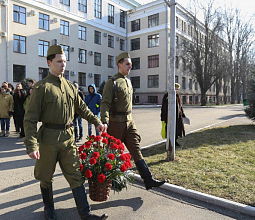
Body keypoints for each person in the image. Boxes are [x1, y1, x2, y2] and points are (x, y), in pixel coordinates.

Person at [23, 45, 108, 220]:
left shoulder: (69, 86)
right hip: (48, 138)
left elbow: (82, 108)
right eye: (59, 61)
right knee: (46, 176)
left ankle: (86, 214)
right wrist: (31, 145)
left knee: (76, 174)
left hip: (68, 138)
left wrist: (97, 122)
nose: (63, 65)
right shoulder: (42, 88)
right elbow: (30, 119)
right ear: (49, 63)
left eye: (64, 62)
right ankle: (49, 210)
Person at [101, 52, 165, 190]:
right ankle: (109, 180)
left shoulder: (128, 82)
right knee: (113, 153)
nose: (130, 66)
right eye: (127, 64)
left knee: (136, 149)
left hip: (129, 122)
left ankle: (148, 179)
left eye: (131, 64)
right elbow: (105, 103)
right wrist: (105, 121)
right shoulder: (112, 83)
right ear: (119, 65)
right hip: (115, 123)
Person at [161, 83, 186, 152]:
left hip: (177, 116)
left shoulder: (177, 95)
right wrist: (163, 116)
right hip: (169, 116)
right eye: (175, 88)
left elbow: (180, 106)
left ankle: (175, 141)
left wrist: (183, 114)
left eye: (177, 89)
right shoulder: (167, 95)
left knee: (177, 129)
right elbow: (163, 107)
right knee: (169, 130)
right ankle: (169, 142)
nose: (176, 90)